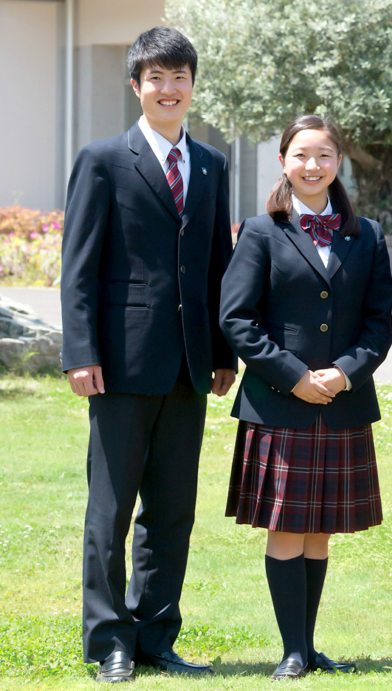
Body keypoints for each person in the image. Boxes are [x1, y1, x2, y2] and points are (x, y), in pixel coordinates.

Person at [60, 27, 237, 683]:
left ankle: (157, 634)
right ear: (136, 86)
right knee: (110, 512)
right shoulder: (104, 159)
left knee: (172, 508)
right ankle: (110, 638)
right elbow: (77, 268)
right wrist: (80, 350)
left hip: (191, 367)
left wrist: (222, 351)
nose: (169, 89)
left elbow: (218, 266)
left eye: (179, 77)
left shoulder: (214, 164)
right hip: (120, 366)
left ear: (192, 86)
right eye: (156, 78)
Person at [219, 115, 392, 680]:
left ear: (337, 162)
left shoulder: (364, 234)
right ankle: (292, 649)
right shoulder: (259, 231)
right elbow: (237, 320)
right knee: (287, 526)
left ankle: (310, 645)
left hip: (342, 403)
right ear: (283, 162)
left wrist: (344, 374)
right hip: (279, 402)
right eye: (301, 155)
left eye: (323, 155)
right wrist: (294, 376)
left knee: (320, 528)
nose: (312, 165)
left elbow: (378, 326)